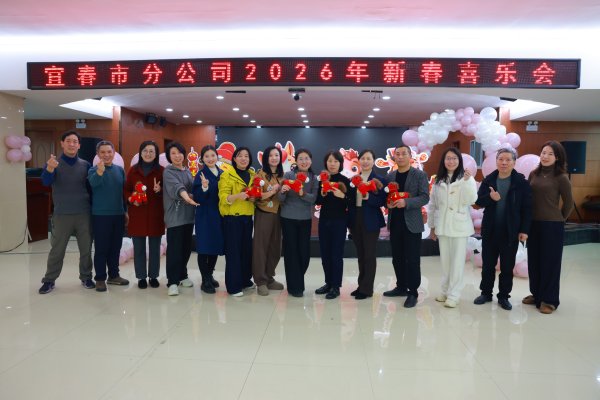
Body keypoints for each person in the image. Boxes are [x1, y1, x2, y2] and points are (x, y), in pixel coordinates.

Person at [474, 148, 532, 310]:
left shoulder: (521, 183)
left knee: (507, 267)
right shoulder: (489, 180)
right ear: (496, 161)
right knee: (488, 265)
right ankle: (486, 293)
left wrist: (524, 230)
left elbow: (527, 208)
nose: (504, 163)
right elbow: (479, 202)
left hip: (510, 232)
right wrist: (490, 198)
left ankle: (504, 296)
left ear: (514, 162)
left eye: (508, 159)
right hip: (490, 230)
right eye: (501, 159)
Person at [38, 131, 94, 294]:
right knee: (57, 250)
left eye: (75, 141)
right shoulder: (53, 163)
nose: (72, 144)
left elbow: (91, 188)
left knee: (86, 249)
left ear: (79, 145)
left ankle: (86, 277)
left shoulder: (85, 165)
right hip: (62, 214)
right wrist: (49, 168)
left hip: (84, 214)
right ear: (62, 143)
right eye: (68, 141)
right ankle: (49, 280)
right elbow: (45, 182)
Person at [524, 141, 573, 314]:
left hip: (552, 226)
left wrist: (559, 219)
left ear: (557, 157)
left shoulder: (561, 177)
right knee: (534, 261)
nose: (545, 156)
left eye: (550, 154)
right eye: (543, 152)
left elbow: (569, 203)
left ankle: (549, 300)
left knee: (550, 263)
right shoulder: (533, 174)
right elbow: (528, 198)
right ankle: (537, 294)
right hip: (533, 224)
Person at [428, 147, 477, 308]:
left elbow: (471, 199)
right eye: (448, 158)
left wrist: (468, 182)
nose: (451, 161)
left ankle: (454, 295)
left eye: (454, 158)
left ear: (459, 161)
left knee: (457, 262)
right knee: (445, 262)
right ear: (444, 161)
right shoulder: (438, 181)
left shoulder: (466, 178)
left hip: (459, 226)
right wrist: (432, 227)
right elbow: (433, 205)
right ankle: (445, 291)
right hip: (442, 226)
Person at [384, 145, 430, 308]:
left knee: (412, 259)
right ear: (394, 157)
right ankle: (401, 286)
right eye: (398, 154)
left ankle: (413, 292)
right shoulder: (390, 176)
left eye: (404, 153)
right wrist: (388, 203)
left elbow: (424, 197)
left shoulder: (419, 175)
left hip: (412, 224)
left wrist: (406, 202)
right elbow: (386, 197)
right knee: (397, 258)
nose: (401, 156)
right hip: (395, 223)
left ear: (410, 156)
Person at [88, 140, 129, 292]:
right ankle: (100, 278)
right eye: (103, 152)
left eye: (109, 152)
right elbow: (93, 183)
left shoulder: (120, 170)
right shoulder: (92, 170)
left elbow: (123, 193)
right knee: (101, 248)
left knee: (115, 247)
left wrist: (125, 211)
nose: (106, 155)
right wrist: (100, 171)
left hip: (118, 214)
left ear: (114, 153)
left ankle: (114, 275)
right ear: (98, 154)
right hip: (100, 215)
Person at [347, 149, 387, 300]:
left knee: (369, 255)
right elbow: (350, 201)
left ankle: (367, 289)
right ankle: (361, 286)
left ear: (373, 161)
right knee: (360, 254)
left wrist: (368, 197)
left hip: (371, 220)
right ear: (359, 161)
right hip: (355, 218)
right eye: (363, 158)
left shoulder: (380, 180)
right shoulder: (354, 179)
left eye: (368, 158)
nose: (365, 161)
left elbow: (382, 201)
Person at [278, 148, 319, 297]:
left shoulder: (314, 178)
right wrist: (282, 191)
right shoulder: (289, 175)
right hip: (288, 218)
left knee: (303, 253)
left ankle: (296, 280)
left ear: (311, 161)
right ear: (296, 161)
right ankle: (295, 287)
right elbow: (280, 199)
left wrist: (302, 193)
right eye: (301, 158)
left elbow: (313, 199)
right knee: (291, 252)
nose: (304, 161)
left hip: (305, 219)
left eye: (306, 158)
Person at [125, 141, 164, 289]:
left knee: (155, 249)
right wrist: (130, 199)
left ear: (156, 154)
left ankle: (153, 276)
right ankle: (141, 277)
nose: (148, 154)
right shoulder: (133, 170)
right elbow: (126, 190)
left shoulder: (161, 171)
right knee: (139, 248)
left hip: (155, 215)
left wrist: (159, 191)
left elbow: (167, 193)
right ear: (140, 153)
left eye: (151, 151)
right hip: (137, 214)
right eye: (145, 151)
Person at [218, 147, 256, 297]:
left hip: (247, 218)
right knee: (233, 252)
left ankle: (245, 280)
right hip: (232, 219)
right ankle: (233, 286)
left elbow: (255, 195)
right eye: (240, 156)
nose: (243, 159)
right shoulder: (227, 175)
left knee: (246, 251)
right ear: (234, 159)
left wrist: (253, 198)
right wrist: (237, 196)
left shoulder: (252, 175)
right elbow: (223, 198)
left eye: (246, 156)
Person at [314, 150, 351, 300]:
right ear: (326, 163)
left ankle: (336, 286)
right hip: (324, 221)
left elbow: (350, 202)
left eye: (336, 161)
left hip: (339, 221)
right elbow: (317, 201)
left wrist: (342, 196)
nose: (332, 164)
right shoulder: (322, 180)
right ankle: (328, 283)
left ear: (340, 163)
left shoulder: (345, 180)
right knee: (325, 254)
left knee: (336, 254)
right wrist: (322, 194)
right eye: (330, 161)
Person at [163, 142, 198, 296]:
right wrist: (188, 198)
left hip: (188, 217)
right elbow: (177, 188)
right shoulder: (168, 172)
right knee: (174, 250)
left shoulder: (188, 171)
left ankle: (182, 275)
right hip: (175, 217)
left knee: (185, 249)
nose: (177, 156)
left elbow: (194, 190)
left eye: (179, 153)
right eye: (173, 153)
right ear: (169, 156)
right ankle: (172, 281)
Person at [252, 145, 285, 296]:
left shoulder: (283, 175)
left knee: (275, 247)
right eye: (271, 155)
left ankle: (269, 277)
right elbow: (256, 196)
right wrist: (273, 191)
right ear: (265, 158)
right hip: (264, 213)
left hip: (279, 213)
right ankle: (260, 281)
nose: (274, 158)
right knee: (261, 247)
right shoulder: (260, 175)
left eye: (276, 155)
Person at [192, 145, 223, 294]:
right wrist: (204, 187)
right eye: (207, 156)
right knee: (204, 248)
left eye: (213, 155)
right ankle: (205, 280)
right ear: (202, 159)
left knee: (215, 247)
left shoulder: (222, 173)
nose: (210, 159)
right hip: (204, 215)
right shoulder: (200, 174)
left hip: (219, 216)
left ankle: (209, 275)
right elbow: (197, 198)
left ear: (217, 156)